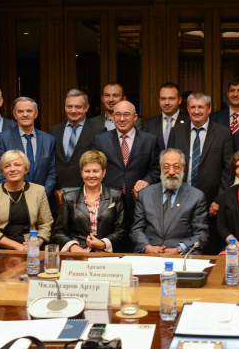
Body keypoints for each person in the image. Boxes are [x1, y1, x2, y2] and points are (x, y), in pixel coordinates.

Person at [168, 92, 234, 254]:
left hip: (211, 203)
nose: (196, 111)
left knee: (209, 248)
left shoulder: (223, 133)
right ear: (187, 109)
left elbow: (228, 170)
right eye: (192, 107)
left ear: (209, 109)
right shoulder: (177, 131)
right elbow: (169, 164)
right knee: (182, 245)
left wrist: (219, 199)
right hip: (181, 199)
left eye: (200, 107)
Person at [92, 100, 159, 249]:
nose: (122, 119)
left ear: (135, 117)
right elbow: (94, 169)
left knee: (136, 246)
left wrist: (146, 180)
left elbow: (156, 169)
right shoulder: (100, 139)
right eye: (118, 114)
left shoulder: (149, 140)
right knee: (110, 246)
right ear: (113, 117)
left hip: (138, 203)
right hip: (108, 204)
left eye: (126, 114)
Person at [131, 148, 208, 254]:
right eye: (166, 167)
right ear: (161, 167)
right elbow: (136, 229)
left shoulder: (196, 197)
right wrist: (147, 247)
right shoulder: (145, 194)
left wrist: (179, 249)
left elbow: (201, 235)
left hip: (182, 255)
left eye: (176, 167)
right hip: (149, 254)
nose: (171, 172)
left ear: (183, 167)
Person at [51, 150, 125, 252]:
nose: (91, 175)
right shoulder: (69, 198)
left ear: (104, 172)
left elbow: (121, 230)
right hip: (78, 253)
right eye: (87, 171)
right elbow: (58, 232)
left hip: (105, 254)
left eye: (95, 171)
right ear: (81, 172)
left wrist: (103, 244)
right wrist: (74, 247)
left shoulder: (116, 196)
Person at [0, 150, 53, 250]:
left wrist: (35, 243)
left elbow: (46, 224)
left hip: (31, 245)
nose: (12, 169)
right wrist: (18, 246)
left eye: (17, 165)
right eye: (7, 166)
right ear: (2, 170)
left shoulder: (39, 191)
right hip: (0, 247)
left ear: (25, 169)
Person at [0, 97, 57, 197]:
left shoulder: (48, 140)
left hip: (42, 198)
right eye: (20, 111)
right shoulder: (3, 138)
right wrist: (15, 194)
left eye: (29, 111)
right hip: (12, 198)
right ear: (15, 115)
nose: (25, 115)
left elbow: (52, 173)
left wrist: (42, 194)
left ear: (36, 114)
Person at [49, 89, 105, 190]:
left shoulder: (98, 130)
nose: (73, 111)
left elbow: (100, 162)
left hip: (85, 189)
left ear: (86, 107)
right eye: (69, 106)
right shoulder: (54, 130)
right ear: (65, 107)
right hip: (58, 188)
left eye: (78, 107)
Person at [141, 82, 188, 152]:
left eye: (171, 98)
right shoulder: (149, 124)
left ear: (179, 100)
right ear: (159, 100)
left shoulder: (189, 122)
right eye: (163, 99)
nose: (167, 103)